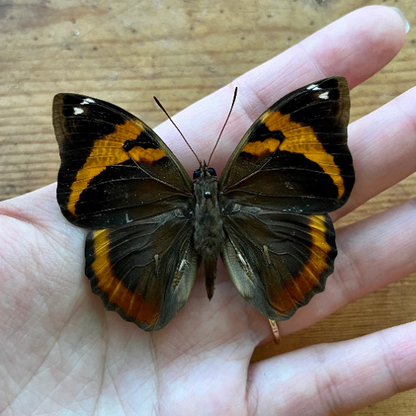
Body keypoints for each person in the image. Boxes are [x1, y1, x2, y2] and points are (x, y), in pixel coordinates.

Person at [1, 5, 415, 415]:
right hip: (264, 231)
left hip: (152, 236)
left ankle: (226, 294)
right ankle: (260, 292)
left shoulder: (152, 171)